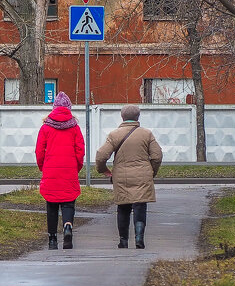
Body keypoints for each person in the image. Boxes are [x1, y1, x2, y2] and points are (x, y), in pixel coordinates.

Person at [95, 104, 163, 249]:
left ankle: (123, 240)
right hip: (143, 175)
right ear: (138, 117)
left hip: (121, 176)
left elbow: (101, 155)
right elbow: (157, 156)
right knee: (140, 206)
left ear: (122, 117)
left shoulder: (114, 135)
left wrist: (103, 170)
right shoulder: (147, 134)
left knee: (123, 208)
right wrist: (151, 172)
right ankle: (139, 238)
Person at [35, 91, 85, 250]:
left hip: (51, 169)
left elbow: (39, 151)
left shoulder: (45, 128)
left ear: (54, 108)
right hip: (69, 169)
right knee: (68, 202)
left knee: (51, 203)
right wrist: (76, 167)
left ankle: (52, 239)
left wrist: (43, 167)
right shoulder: (74, 127)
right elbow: (80, 150)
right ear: (69, 108)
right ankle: (68, 226)